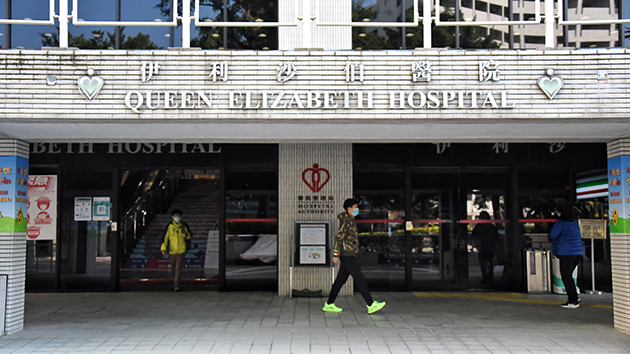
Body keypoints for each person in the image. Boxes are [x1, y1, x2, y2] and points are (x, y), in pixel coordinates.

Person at [322, 198, 386, 314]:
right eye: (355, 207)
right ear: (349, 209)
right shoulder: (346, 221)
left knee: (340, 281)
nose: (357, 210)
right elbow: (339, 237)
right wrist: (335, 254)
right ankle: (370, 304)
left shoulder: (350, 220)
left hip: (350, 253)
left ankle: (329, 304)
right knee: (359, 278)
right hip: (347, 254)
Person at [549, 201, 584, 309]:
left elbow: (553, 235)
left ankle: (573, 300)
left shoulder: (561, 223)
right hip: (577, 253)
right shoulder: (574, 222)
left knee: (566, 276)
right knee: (568, 276)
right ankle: (575, 296)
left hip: (566, 253)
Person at [161, 209, 192, 292]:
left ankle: (176, 285)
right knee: (173, 268)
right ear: (172, 217)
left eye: (178, 216)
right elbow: (165, 238)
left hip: (181, 250)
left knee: (178, 267)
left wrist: (186, 235)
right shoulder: (170, 226)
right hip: (172, 251)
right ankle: (175, 282)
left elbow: (189, 236)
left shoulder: (184, 225)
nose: (177, 217)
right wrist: (163, 248)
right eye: (175, 216)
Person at [472, 211, 500, 284]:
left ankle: (485, 277)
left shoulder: (479, 226)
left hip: (482, 246)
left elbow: (474, 234)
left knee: (483, 263)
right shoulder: (491, 226)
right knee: (489, 262)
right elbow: (496, 236)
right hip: (491, 246)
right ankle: (490, 277)